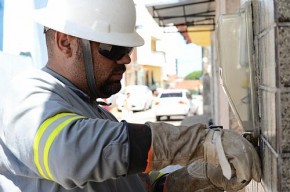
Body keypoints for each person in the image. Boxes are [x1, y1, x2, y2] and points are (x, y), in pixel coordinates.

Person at [0, 0, 261, 191]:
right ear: (65, 42)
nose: (127, 58)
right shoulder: (25, 95)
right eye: (113, 48)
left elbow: (141, 185)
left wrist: (198, 177)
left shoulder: (99, 116)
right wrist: (198, 142)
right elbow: (68, 153)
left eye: (127, 48)